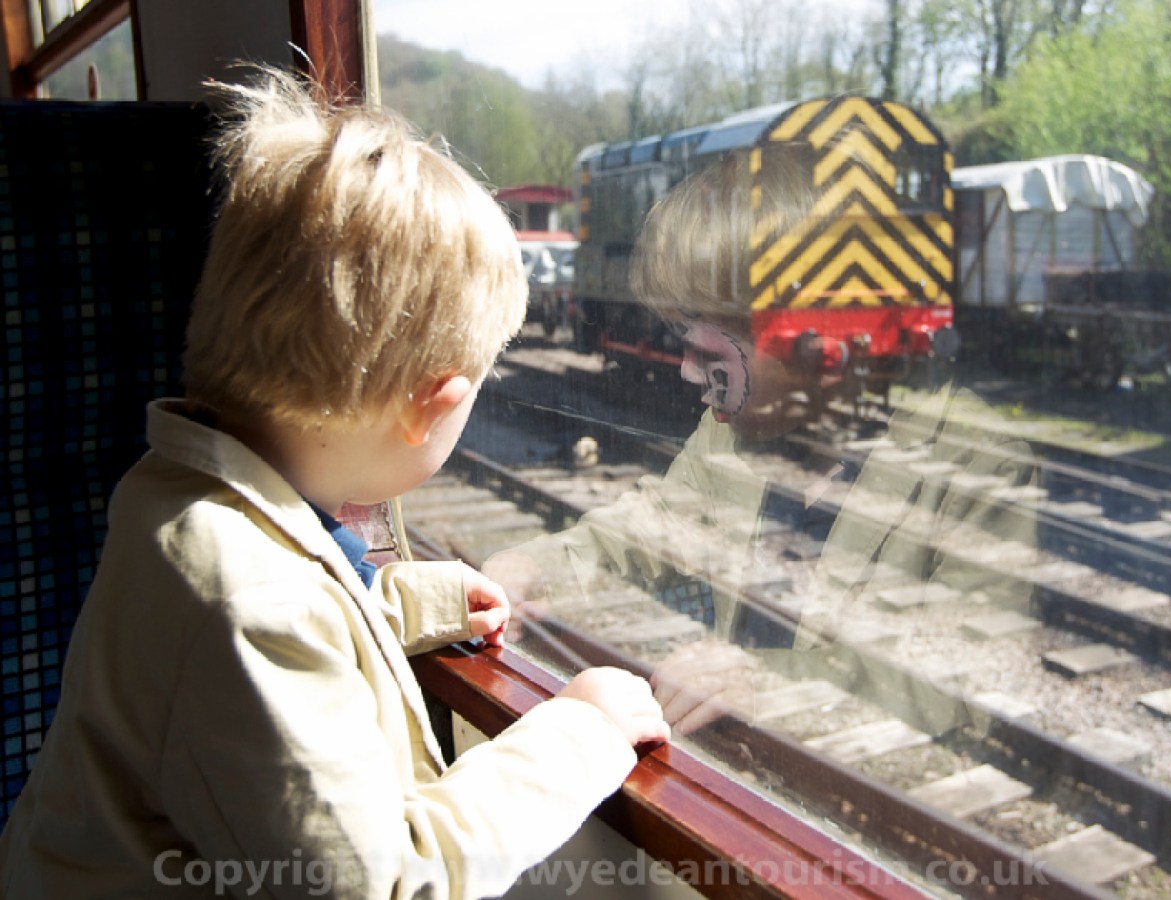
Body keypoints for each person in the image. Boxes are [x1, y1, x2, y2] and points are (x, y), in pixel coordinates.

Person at [0, 67, 668, 899]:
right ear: (431, 407)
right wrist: (583, 731)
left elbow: (291, 631)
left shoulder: (180, 496)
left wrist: (408, 605)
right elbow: (386, 884)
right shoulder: (244, 601)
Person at [484, 144, 1039, 736]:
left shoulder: (974, 460)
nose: (686, 371)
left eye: (708, 349)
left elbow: (969, 683)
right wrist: (532, 567)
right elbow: (652, 525)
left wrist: (767, 689)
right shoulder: (737, 425)